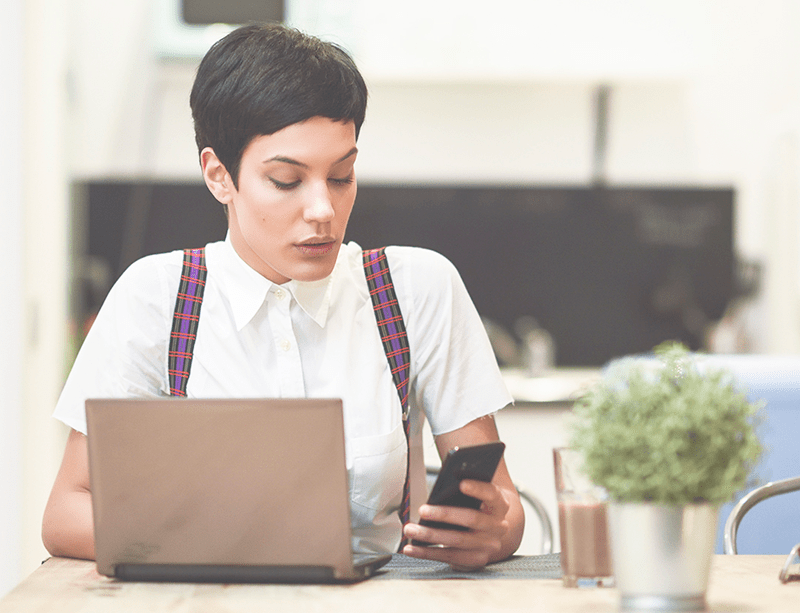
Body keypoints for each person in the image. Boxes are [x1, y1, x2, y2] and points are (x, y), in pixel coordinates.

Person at [41, 23, 524, 571]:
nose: (322, 210)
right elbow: (67, 512)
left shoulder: (415, 289)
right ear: (220, 176)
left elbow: (504, 507)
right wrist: (245, 546)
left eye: (341, 176)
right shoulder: (157, 298)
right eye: (287, 181)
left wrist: (494, 532)